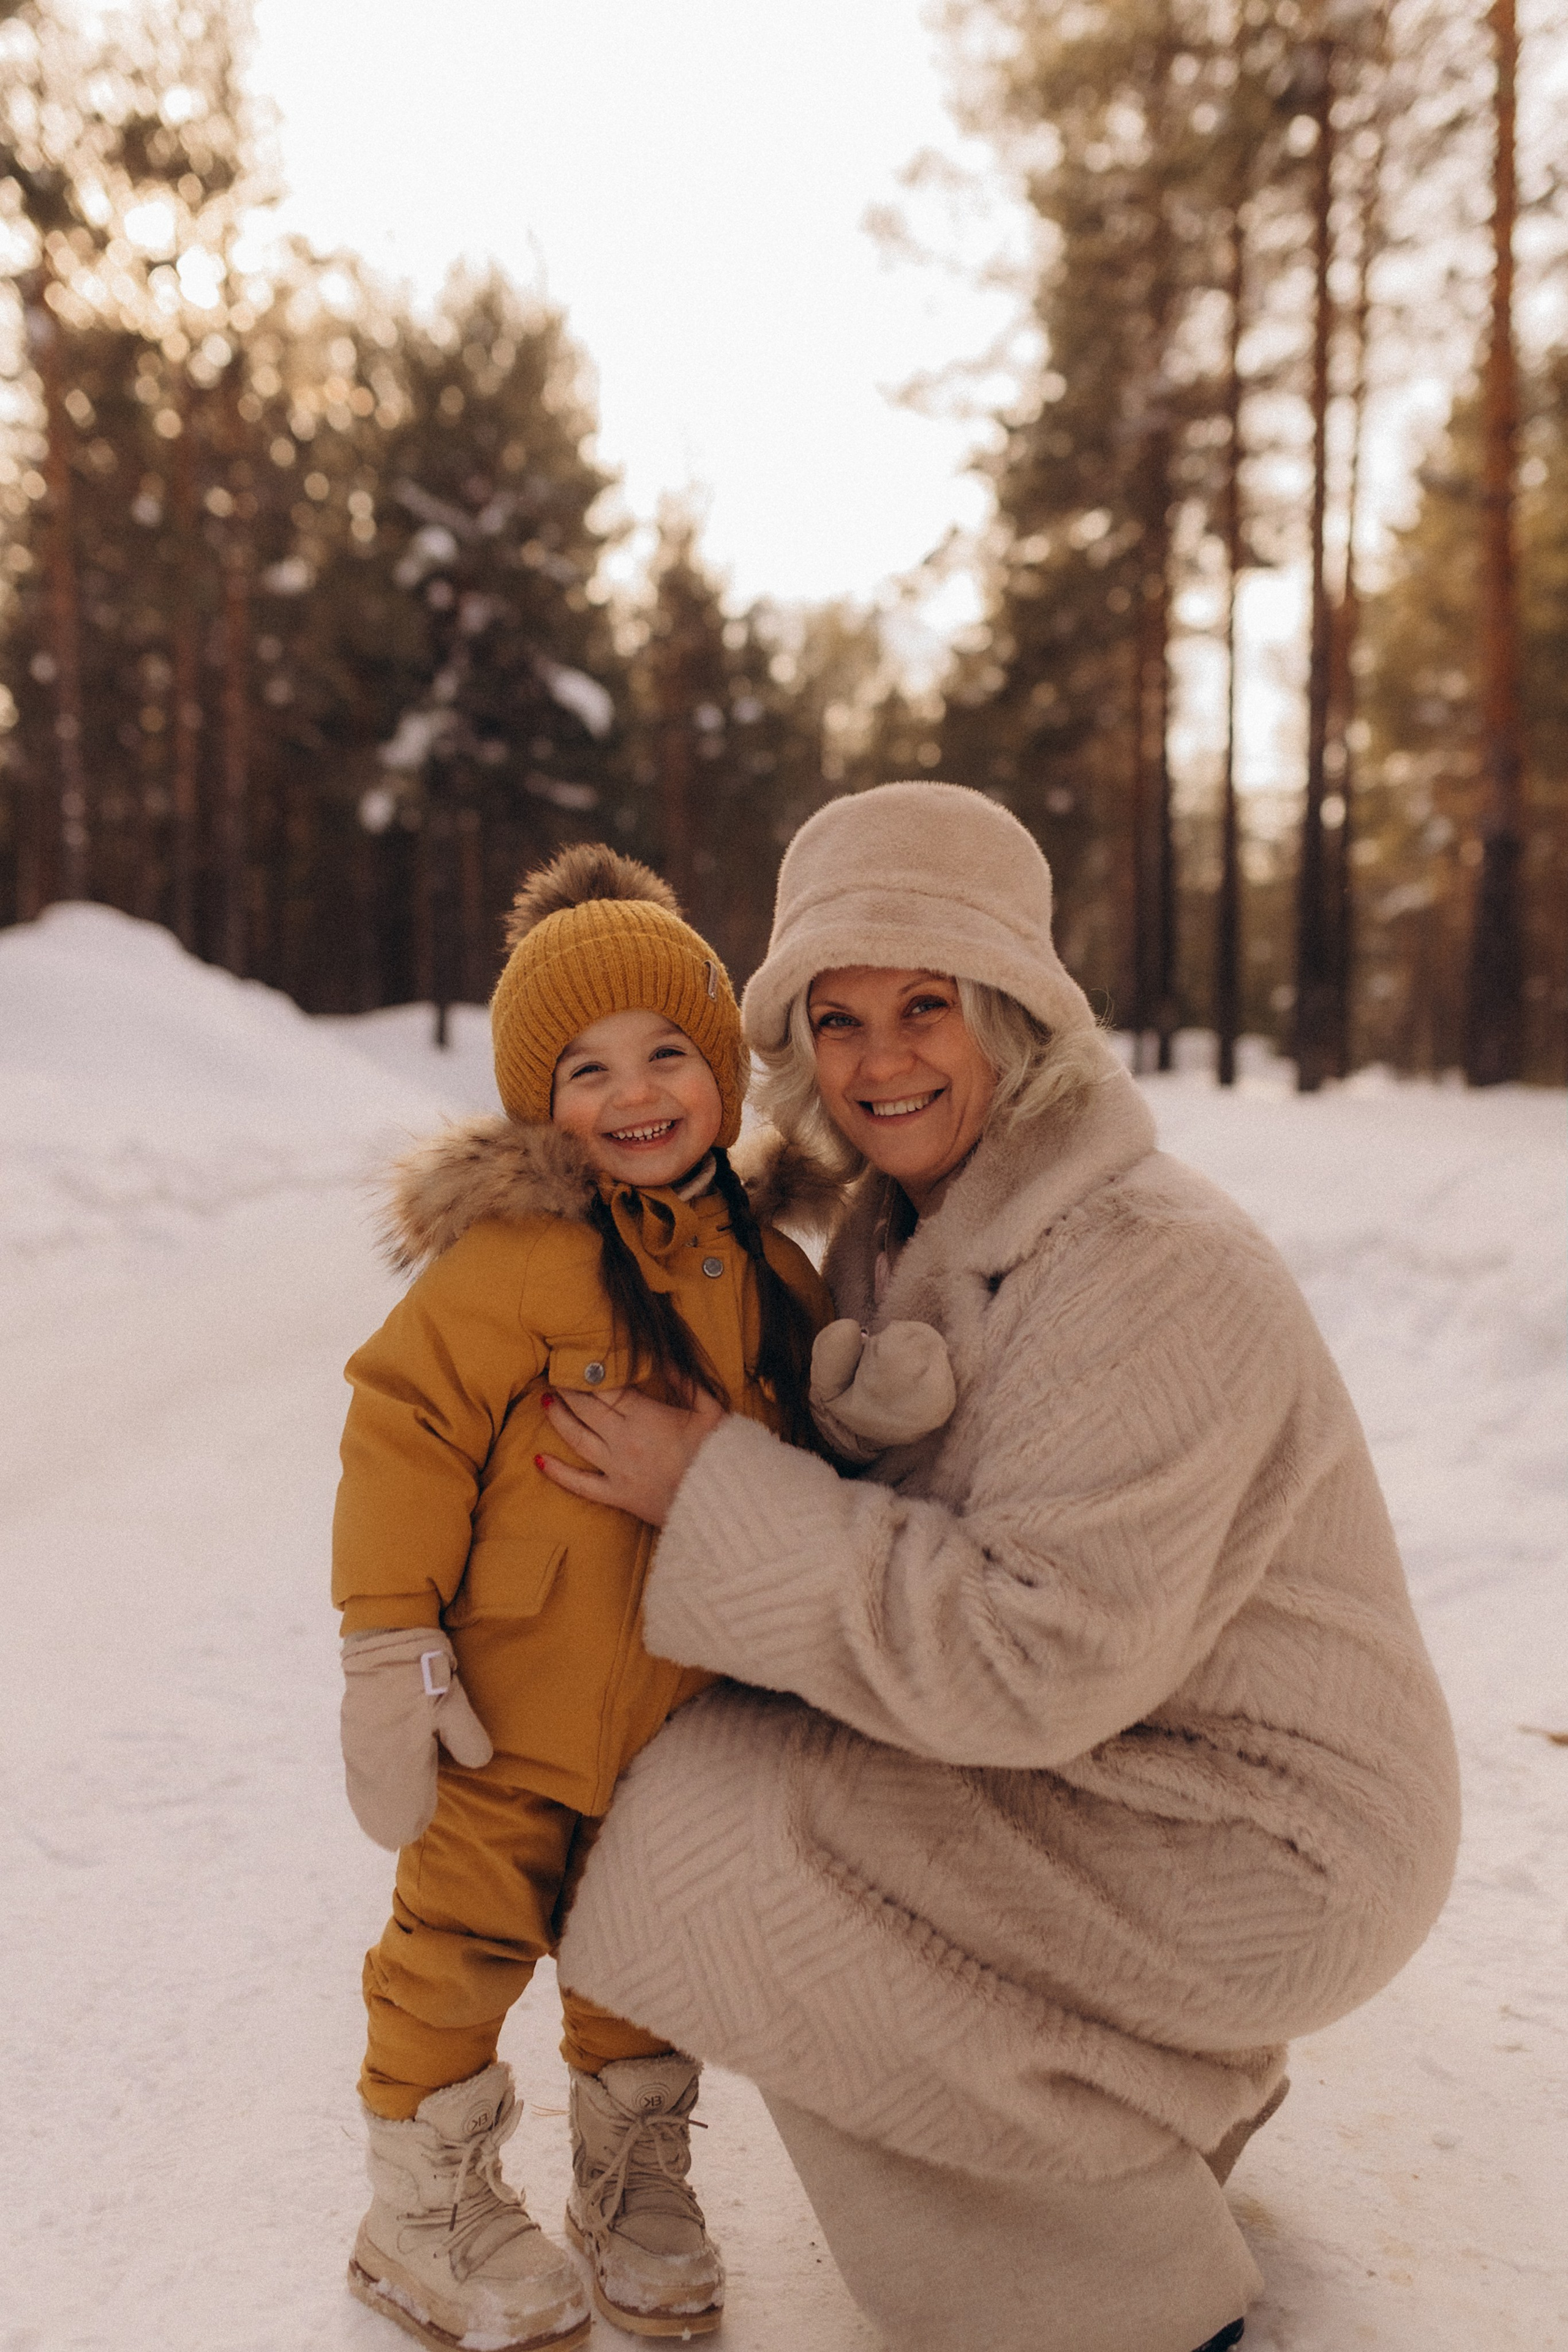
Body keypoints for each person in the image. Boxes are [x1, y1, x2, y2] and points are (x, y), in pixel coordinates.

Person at [540, 782, 1464, 2352]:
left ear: (1014, 1014)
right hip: (1131, 1776)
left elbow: (1032, 1659)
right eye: (837, 1019)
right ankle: (1132, 2125)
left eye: (925, 1006)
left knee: (714, 1840)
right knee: (704, 1769)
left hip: (1270, 1843)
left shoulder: (1147, 1260)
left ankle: (1103, 2301)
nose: (880, 1060)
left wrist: (716, 1489)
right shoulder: (904, 1229)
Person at [330, 846, 837, 2351]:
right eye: (585, 1067)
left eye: (667, 1052)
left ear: (721, 1072)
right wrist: (388, 1646)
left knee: (646, 1955)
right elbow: (402, 1428)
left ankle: (634, 2184)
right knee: (454, 1949)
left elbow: (828, 1449)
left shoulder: (771, 1271)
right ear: (531, 1098)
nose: (632, 1094)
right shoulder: (512, 1260)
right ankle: (418, 2209)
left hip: (683, 1717)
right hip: (500, 1715)